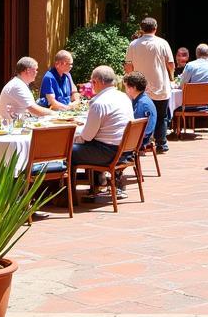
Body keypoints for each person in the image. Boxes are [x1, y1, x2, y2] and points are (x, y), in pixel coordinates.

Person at [73, 65, 135, 202]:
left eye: (92, 82)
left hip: (107, 152)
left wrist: (72, 135)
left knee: (66, 150)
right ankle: (97, 184)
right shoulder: (124, 97)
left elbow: (87, 136)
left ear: (97, 82)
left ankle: (66, 196)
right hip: (124, 150)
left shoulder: (99, 103)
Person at [125, 17, 175, 153]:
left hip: (139, 87)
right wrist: (171, 76)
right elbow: (170, 63)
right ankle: (161, 143)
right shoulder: (162, 43)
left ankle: (139, 144)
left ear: (141, 29)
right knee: (161, 116)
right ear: (155, 28)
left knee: (139, 117)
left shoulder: (134, 44)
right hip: (160, 85)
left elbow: (128, 66)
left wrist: (131, 80)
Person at [0, 57, 51, 121]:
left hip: (15, 125)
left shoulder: (20, 83)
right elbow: (33, 109)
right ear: (28, 71)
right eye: (35, 69)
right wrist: (56, 114)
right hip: (7, 128)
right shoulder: (17, 86)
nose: (37, 72)